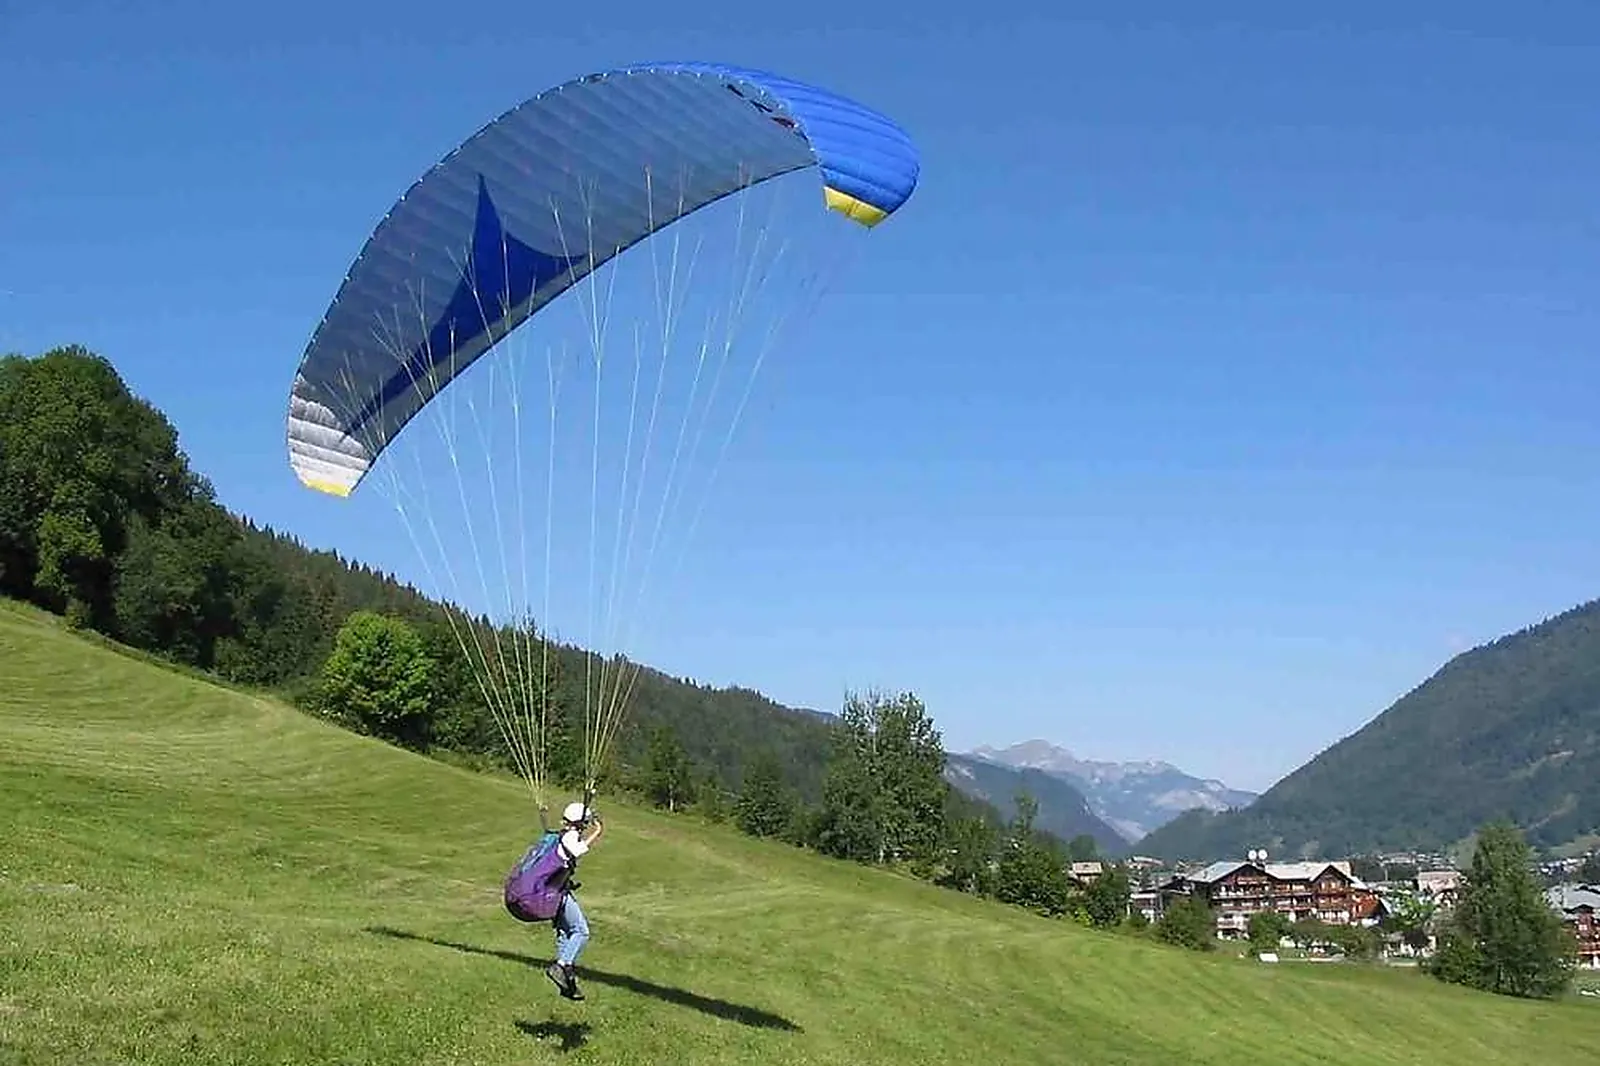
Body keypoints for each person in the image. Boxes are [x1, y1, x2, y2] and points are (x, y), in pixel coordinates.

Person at [544, 799, 603, 1000]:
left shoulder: (563, 834)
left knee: (565, 933)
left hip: (553, 891)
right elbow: (577, 850)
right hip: (557, 892)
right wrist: (596, 832)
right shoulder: (569, 837)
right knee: (581, 931)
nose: (586, 826)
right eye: (585, 823)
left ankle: (566, 982)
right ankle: (561, 966)